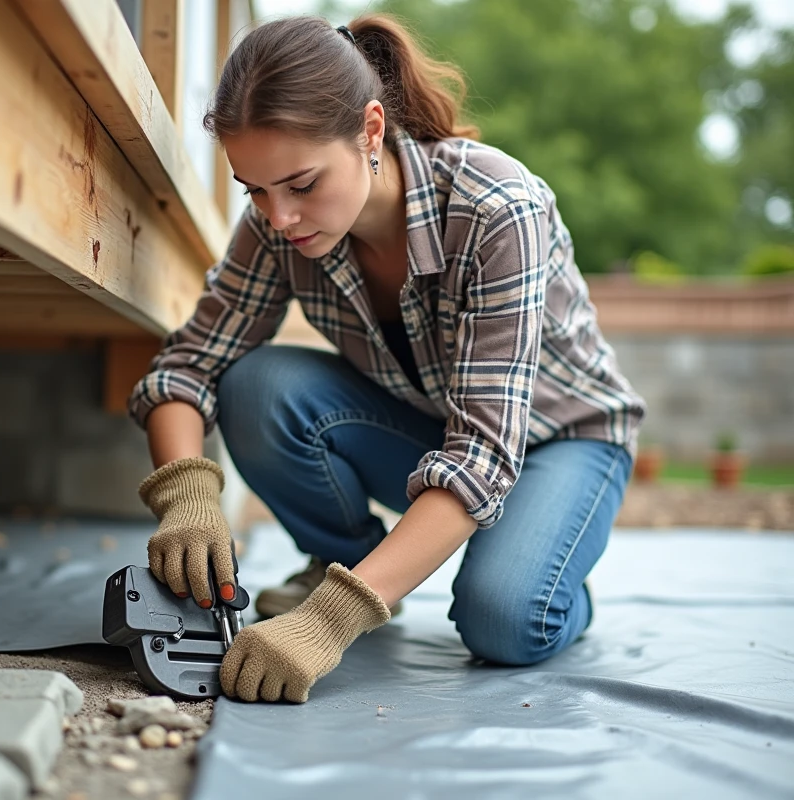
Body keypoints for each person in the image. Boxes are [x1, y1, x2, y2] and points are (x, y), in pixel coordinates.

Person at [127, 14, 646, 704]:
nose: (277, 217)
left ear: (370, 132)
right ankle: (346, 564)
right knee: (257, 385)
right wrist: (186, 495)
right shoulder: (278, 226)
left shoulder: (498, 210)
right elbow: (189, 364)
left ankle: (544, 571)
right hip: (432, 428)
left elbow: (483, 456)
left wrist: (329, 625)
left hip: (562, 441)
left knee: (504, 620)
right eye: (254, 189)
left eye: (301, 184)